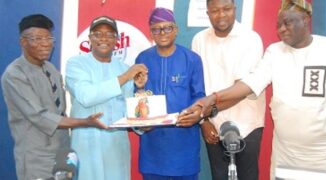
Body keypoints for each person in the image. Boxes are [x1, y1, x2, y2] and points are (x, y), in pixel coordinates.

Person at [178, 0, 326, 179]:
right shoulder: (275, 52)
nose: (281, 29)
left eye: (287, 23)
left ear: (305, 19)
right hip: (285, 152)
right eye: (278, 25)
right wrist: (212, 100)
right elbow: (250, 83)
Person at [1, 14, 107, 180]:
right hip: (36, 158)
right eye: (37, 38)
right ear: (23, 42)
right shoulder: (15, 74)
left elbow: (60, 110)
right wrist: (85, 122)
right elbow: (40, 116)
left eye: (48, 38)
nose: (45, 43)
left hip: (63, 154)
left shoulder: (51, 69)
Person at [65, 16, 148, 180]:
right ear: (89, 39)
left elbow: (129, 110)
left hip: (115, 148)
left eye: (110, 34)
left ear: (117, 40)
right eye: (98, 34)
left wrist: (143, 124)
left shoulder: (123, 68)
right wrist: (125, 77)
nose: (103, 38)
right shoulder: (76, 64)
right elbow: (86, 96)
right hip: (86, 146)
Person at [190, 0, 265, 179]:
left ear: (235, 10)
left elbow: (243, 89)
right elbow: (197, 86)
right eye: (215, 10)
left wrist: (208, 110)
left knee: (248, 176)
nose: (221, 15)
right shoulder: (199, 40)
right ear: (207, 13)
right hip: (213, 125)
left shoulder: (250, 38)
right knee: (220, 175)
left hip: (248, 124)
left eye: (226, 9)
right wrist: (205, 122)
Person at [134, 7, 206, 180]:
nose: (162, 33)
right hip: (153, 150)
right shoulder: (142, 59)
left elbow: (199, 96)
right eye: (156, 29)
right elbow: (138, 96)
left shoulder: (192, 59)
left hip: (184, 149)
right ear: (151, 32)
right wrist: (141, 121)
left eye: (167, 28)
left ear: (176, 30)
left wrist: (196, 114)